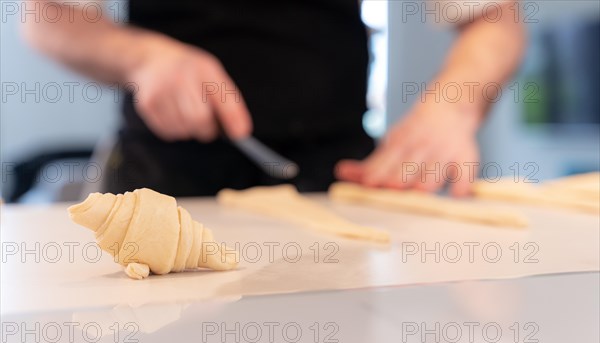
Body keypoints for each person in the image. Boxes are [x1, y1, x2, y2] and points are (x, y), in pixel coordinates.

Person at [23, 0, 525, 197]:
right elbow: (46, 15)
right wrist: (141, 57)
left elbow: (493, 18)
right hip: (162, 180)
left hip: (338, 179)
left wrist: (449, 107)